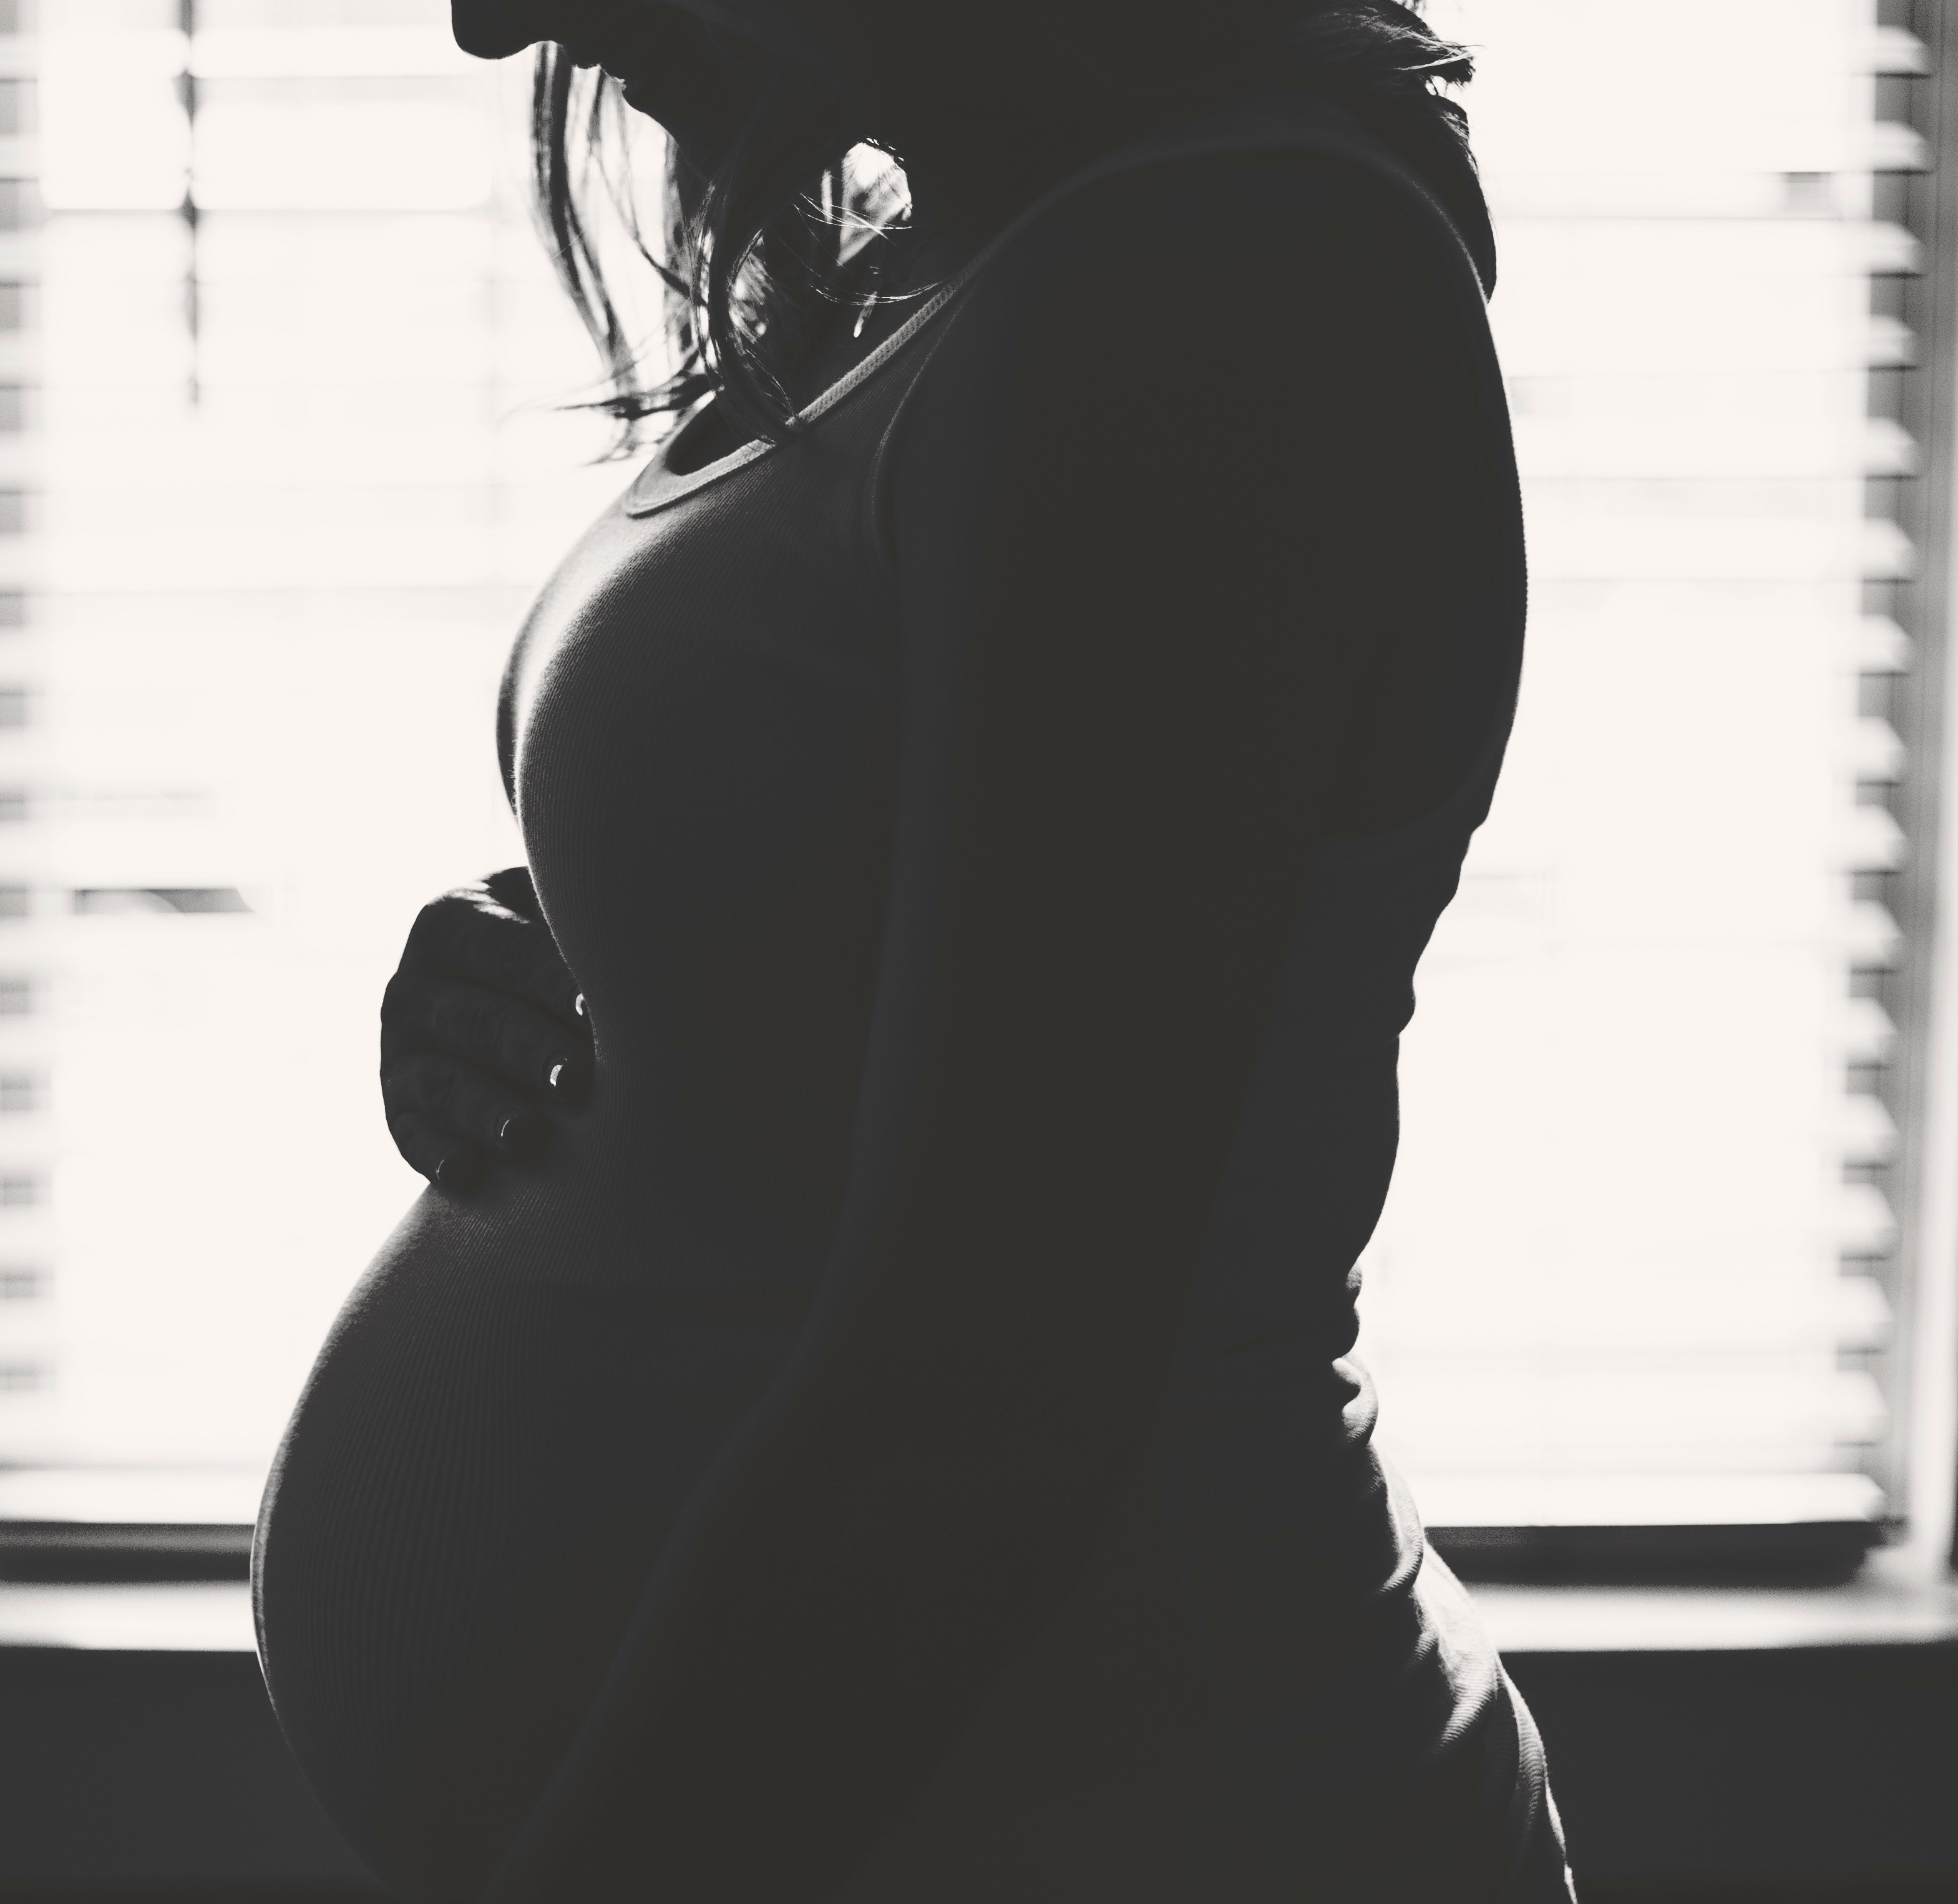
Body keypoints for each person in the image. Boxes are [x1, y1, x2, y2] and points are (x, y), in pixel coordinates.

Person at [253, 1, 1579, 1897]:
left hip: (1154, 1819)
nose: (488, 21)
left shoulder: (1221, 287)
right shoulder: (964, 249)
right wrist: (593, 976)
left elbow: (990, 1393)